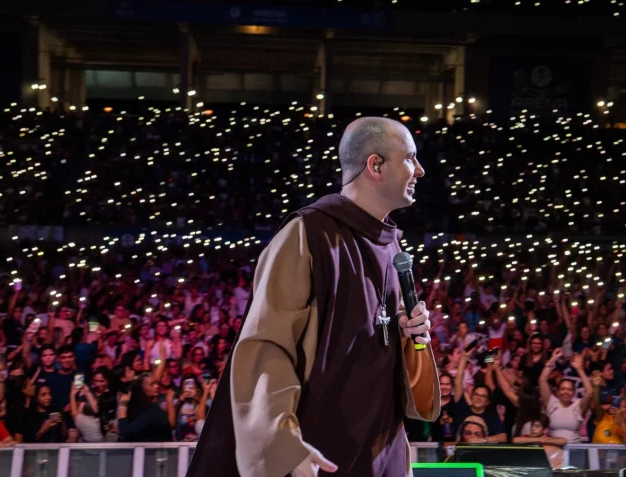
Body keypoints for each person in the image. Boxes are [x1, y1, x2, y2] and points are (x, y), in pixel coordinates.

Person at [188, 117, 440, 477]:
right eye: (410, 158)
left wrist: (408, 333)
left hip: (382, 451)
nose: (420, 170)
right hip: (322, 453)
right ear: (376, 165)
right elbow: (267, 346)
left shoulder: (391, 245)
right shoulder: (307, 235)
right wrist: (283, 443)